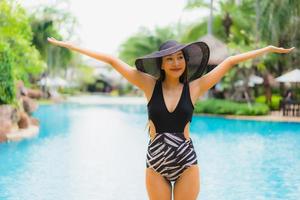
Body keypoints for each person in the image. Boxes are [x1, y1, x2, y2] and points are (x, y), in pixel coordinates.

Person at [47, 37, 294, 200]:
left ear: (185, 62)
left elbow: (229, 61)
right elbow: (112, 60)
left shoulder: (195, 87)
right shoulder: (147, 84)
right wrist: (70, 47)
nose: (176, 63)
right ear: (162, 64)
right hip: (156, 162)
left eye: (180, 58)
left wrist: (268, 50)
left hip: (186, 161)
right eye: (170, 59)